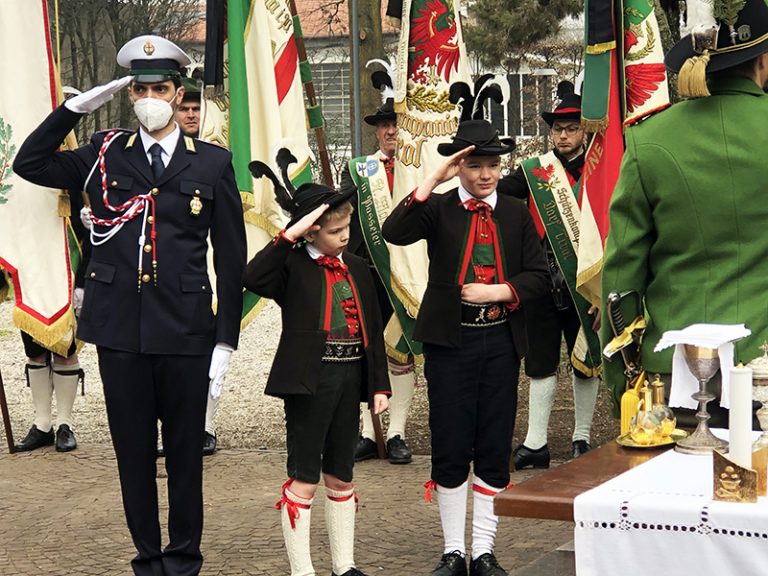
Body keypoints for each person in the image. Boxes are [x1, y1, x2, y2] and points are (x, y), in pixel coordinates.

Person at [13, 34, 246, 576]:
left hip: (187, 332)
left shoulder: (211, 164)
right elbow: (30, 163)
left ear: (177, 91)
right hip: (120, 332)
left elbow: (231, 262)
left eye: (158, 87)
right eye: (138, 88)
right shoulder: (102, 153)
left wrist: (225, 341)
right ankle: (148, 559)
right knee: (133, 458)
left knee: (186, 458)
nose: (147, 96)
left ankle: (184, 559)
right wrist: (76, 108)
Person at [382, 81, 549, 576]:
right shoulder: (438, 207)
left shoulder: (517, 212)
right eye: (474, 165)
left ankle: (483, 550)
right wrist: (433, 177)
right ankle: (453, 550)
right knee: (452, 442)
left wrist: (499, 291)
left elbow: (539, 276)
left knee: (494, 443)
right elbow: (394, 231)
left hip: (500, 341)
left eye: (492, 166)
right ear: (460, 166)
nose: (484, 175)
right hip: (451, 343)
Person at [601, 0, 768, 417]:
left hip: (674, 374)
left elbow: (621, 275)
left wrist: (621, 376)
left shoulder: (649, 139)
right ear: (763, 61)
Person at [243, 152, 390, 576]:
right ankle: (302, 570)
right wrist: (289, 236)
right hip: (310, 381)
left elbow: (374, 328)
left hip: (350, 377)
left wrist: (378, 385)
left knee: (341, 475)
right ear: (311, 233)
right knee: (305, 475)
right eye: (335, 231)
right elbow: (253, 278)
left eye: (347, 228)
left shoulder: (359, 267)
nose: (345, 237)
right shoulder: (290, 266)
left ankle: (344, 566)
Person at [498, 87, 602, 469]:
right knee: (540, 362)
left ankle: (582, 438)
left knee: (584, 359)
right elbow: (495, 192)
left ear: (584, 132)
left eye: (571, 128)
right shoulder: (535, 172)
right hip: (542, 282)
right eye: (558, 129)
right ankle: (536, 443)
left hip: (585, 283)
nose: (563, 136)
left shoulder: (602, 168)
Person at [340, 65, 419, 464]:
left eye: (398, 124)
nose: (391, 131)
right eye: (385, 124)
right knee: (364, 355)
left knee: (399, 354)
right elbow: (342, 222)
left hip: (407, 280)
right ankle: (370, 434)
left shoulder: (421, 173)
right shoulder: (358, 170)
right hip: (368, 279)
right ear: (376, 130)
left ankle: (399, 432)